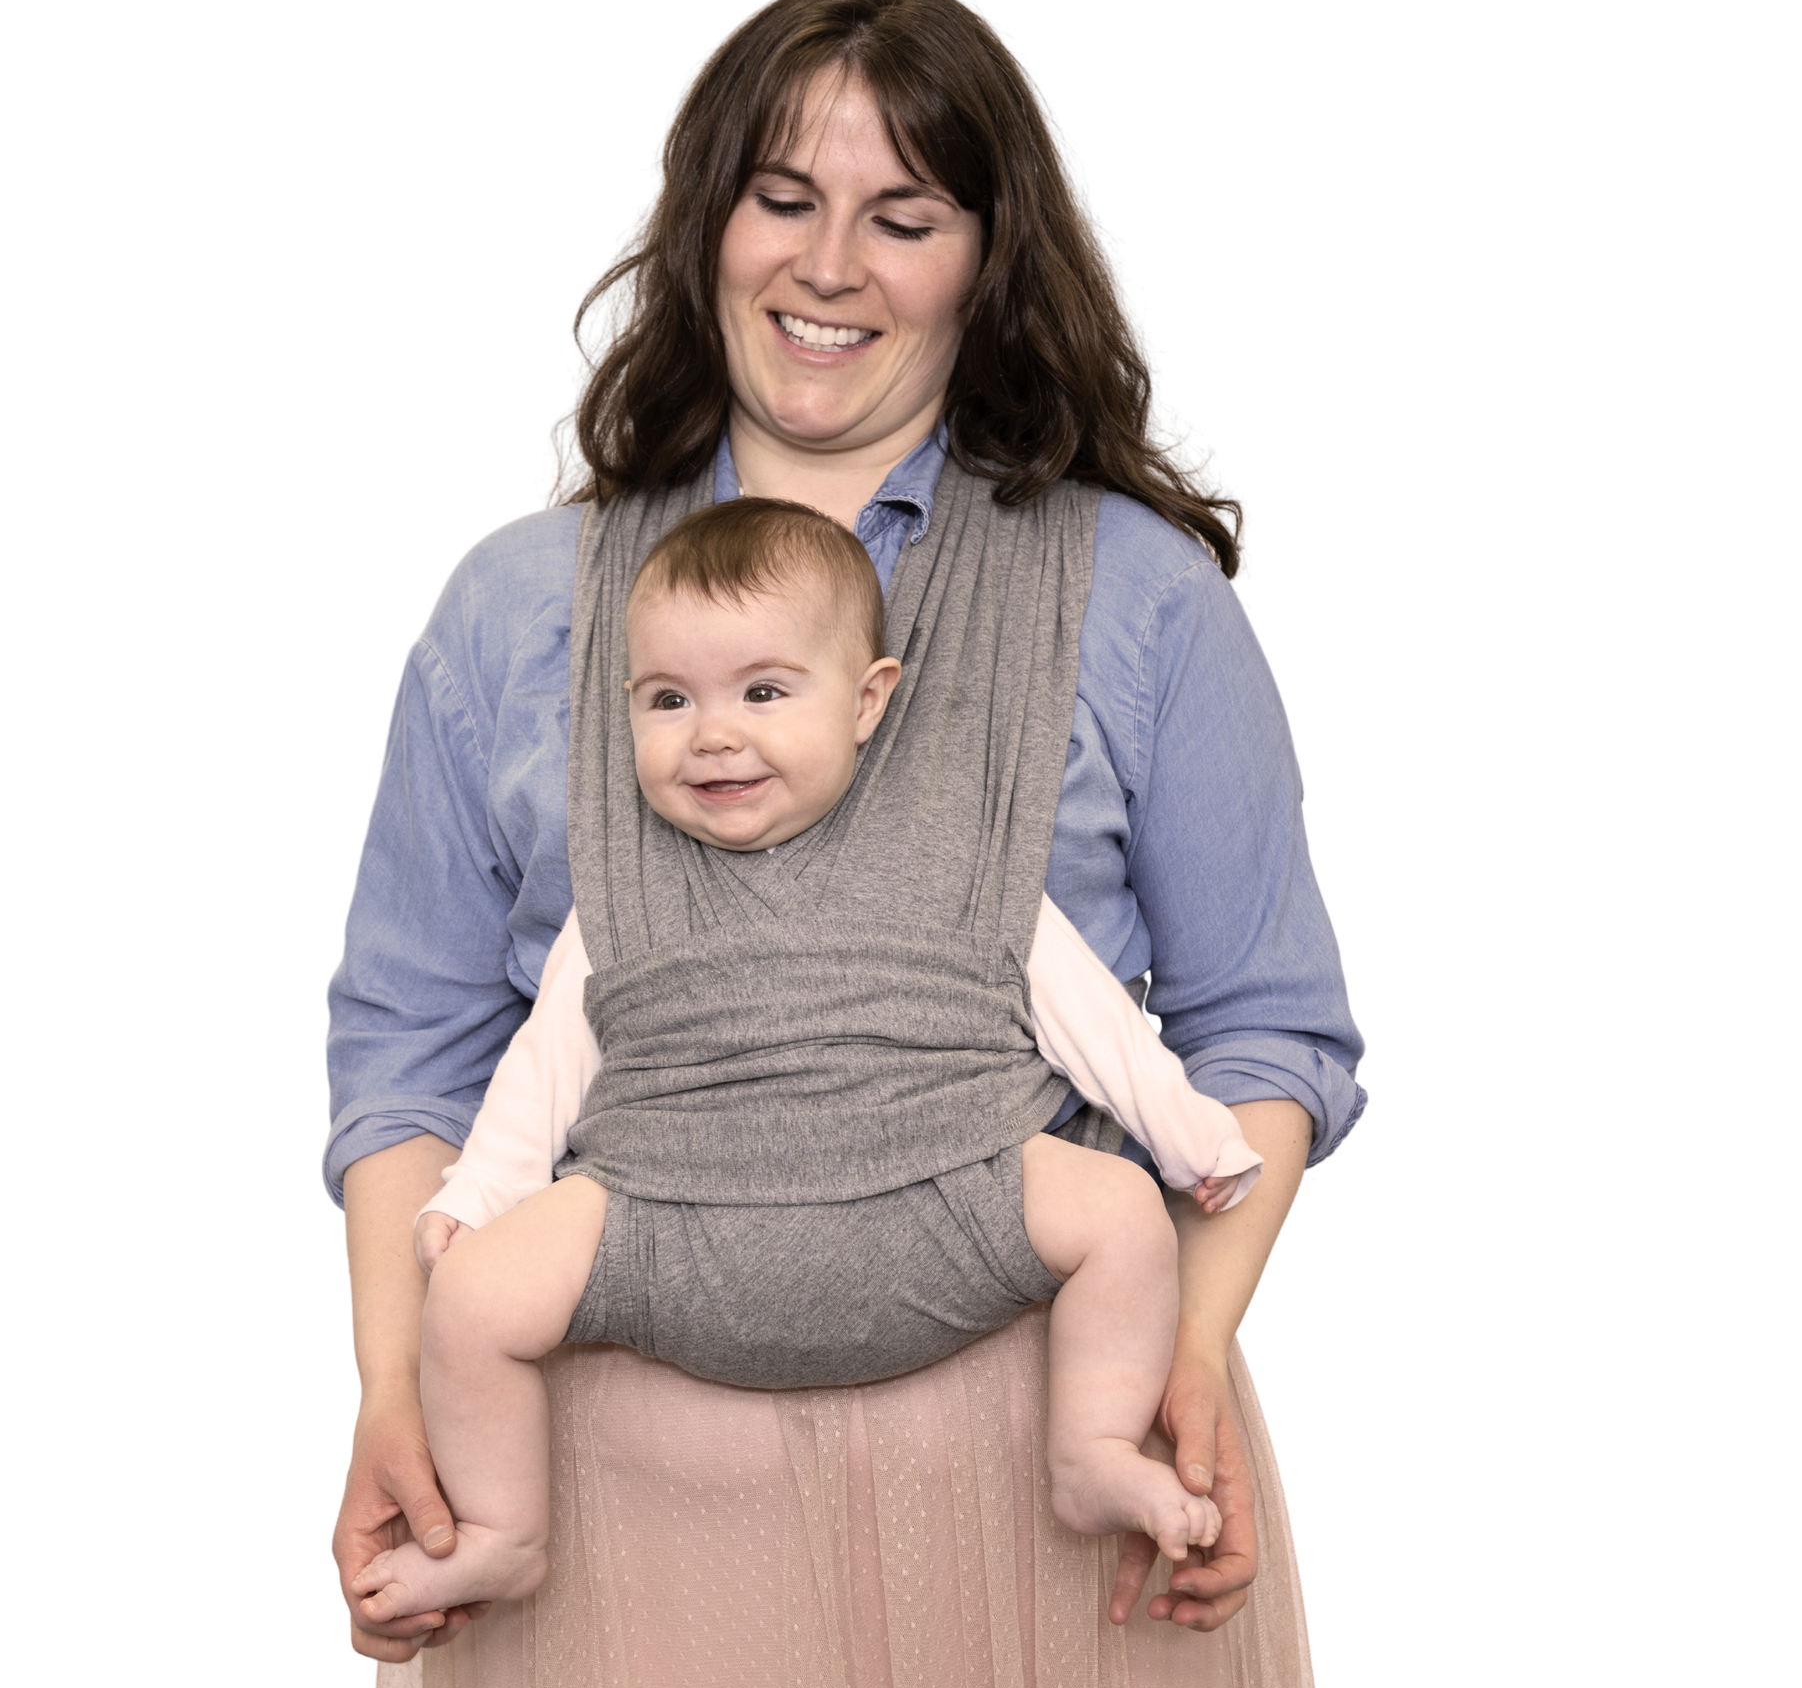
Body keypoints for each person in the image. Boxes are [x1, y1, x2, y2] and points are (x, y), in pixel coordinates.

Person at [327, 0, 1367, 1688]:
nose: (834, 265)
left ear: (987, 256)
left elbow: (1266, 1029)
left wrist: (1190, 1348)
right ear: (703, 215)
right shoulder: (510, 605)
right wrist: (397, 1379)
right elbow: (411, 1051)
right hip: (607, 1510)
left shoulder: (1144, 604)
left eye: (907, 214)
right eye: (785, 197)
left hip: (1069, 1472)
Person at [348, 497, 1266, 1627]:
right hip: (666, 1222)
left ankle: (1088, 1446)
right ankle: (505, 1529)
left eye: (763, 692)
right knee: (470, 1297)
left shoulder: (957, 855)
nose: (712, 733)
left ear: (869, 698)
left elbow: (1088, 1017)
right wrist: (479, 1195)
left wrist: (1187, 1137)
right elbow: (544, 1062)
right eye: (667, 699)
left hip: (946, 1196)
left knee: (1123, 1211)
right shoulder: (623, 890)